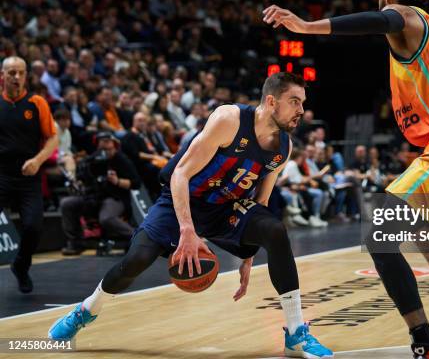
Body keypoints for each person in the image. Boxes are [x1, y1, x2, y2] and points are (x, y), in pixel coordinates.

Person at [264, 0, 429, 358]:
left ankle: (426, 341)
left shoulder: (406, 17)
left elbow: (376, 21)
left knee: (380, 232)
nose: (380, 1)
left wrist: (306, 27)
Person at [48, 72, 333, 359]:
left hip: (224, 209)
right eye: (294, 101)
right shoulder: (229, 120)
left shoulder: (283, 148)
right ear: (271, 102)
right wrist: (187, 229)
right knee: (136, 260)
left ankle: (296, 334)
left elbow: (261, 200)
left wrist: (249, 252)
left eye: (302, 103)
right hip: (180, 200)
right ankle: (86, 310)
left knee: (275, 230)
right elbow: (181, 174)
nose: (301, 110)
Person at [0, 56, 59, 293]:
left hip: (29, 176)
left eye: (21, 73)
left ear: (26, 75)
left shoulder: (37, 103)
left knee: (33, 227)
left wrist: (37, 160)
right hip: (1, 174)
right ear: (2, 75)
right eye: (11, 73)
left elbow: (53, 138)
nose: (16, 77)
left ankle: (21, 267)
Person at [60, 132, 142, 255]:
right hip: (93, 197)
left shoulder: (122, 159)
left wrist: (118, 181)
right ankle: (76, 242)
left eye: (108, 143)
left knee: (107, 218)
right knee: (67, 203)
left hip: (115, 198)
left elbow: (136, 183)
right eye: (102, 144)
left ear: (114, 144)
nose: (105, 147)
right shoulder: (93, 159)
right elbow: (83, 177)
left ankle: (138, 238)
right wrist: (78, 182)